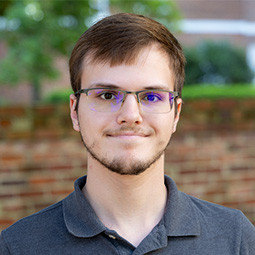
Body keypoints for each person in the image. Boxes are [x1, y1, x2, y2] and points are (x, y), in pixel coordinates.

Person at [0, 13, 254, 255]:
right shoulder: (17, 246)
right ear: (75, 111)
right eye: (107, 95)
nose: (131, 115)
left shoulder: (236, 239)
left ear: (175, 114)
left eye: (152, 96)